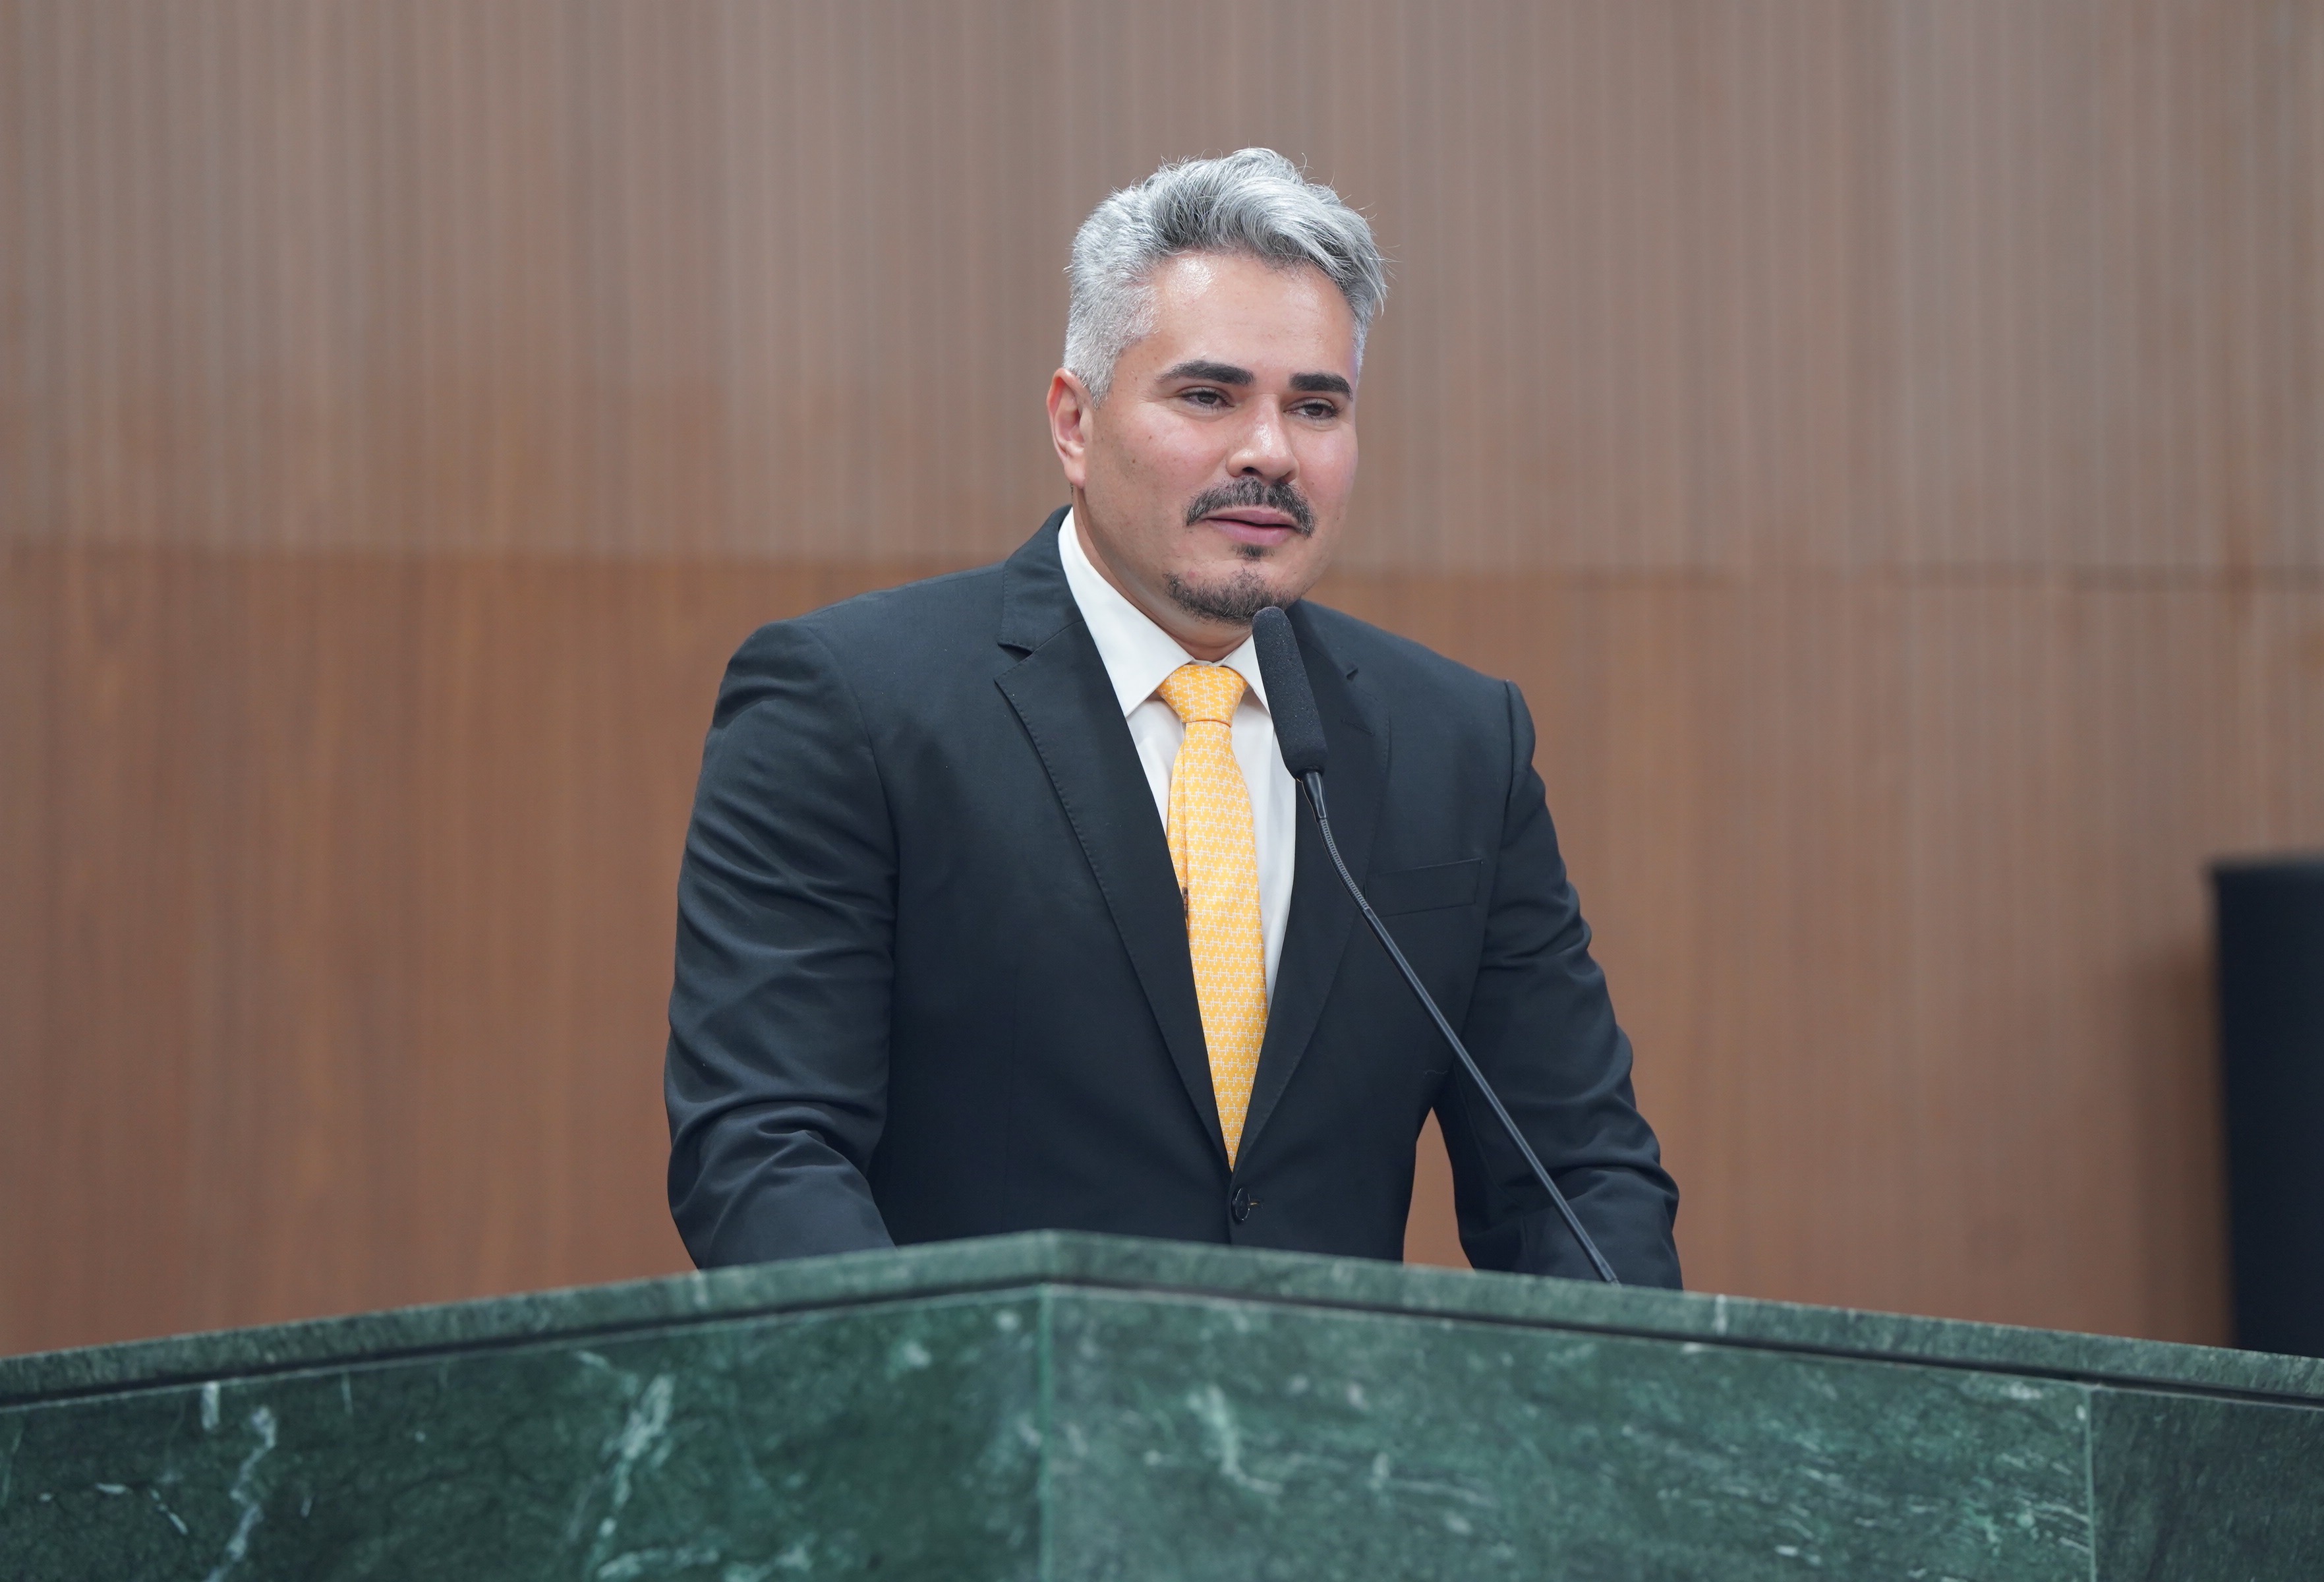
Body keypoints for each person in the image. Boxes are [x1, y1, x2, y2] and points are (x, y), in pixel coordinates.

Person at [665, 149, 1680, 1285]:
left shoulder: (1456, 746)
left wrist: (1621, 1389)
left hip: (1339, 1406)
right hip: (988, 1396)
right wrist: (932, 1394)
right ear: (1074, 422)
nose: (1270, 452)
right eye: (1208, 396)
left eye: (1316, 406)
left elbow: (1580, 1179)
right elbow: (765, 1153)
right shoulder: (852, 706)